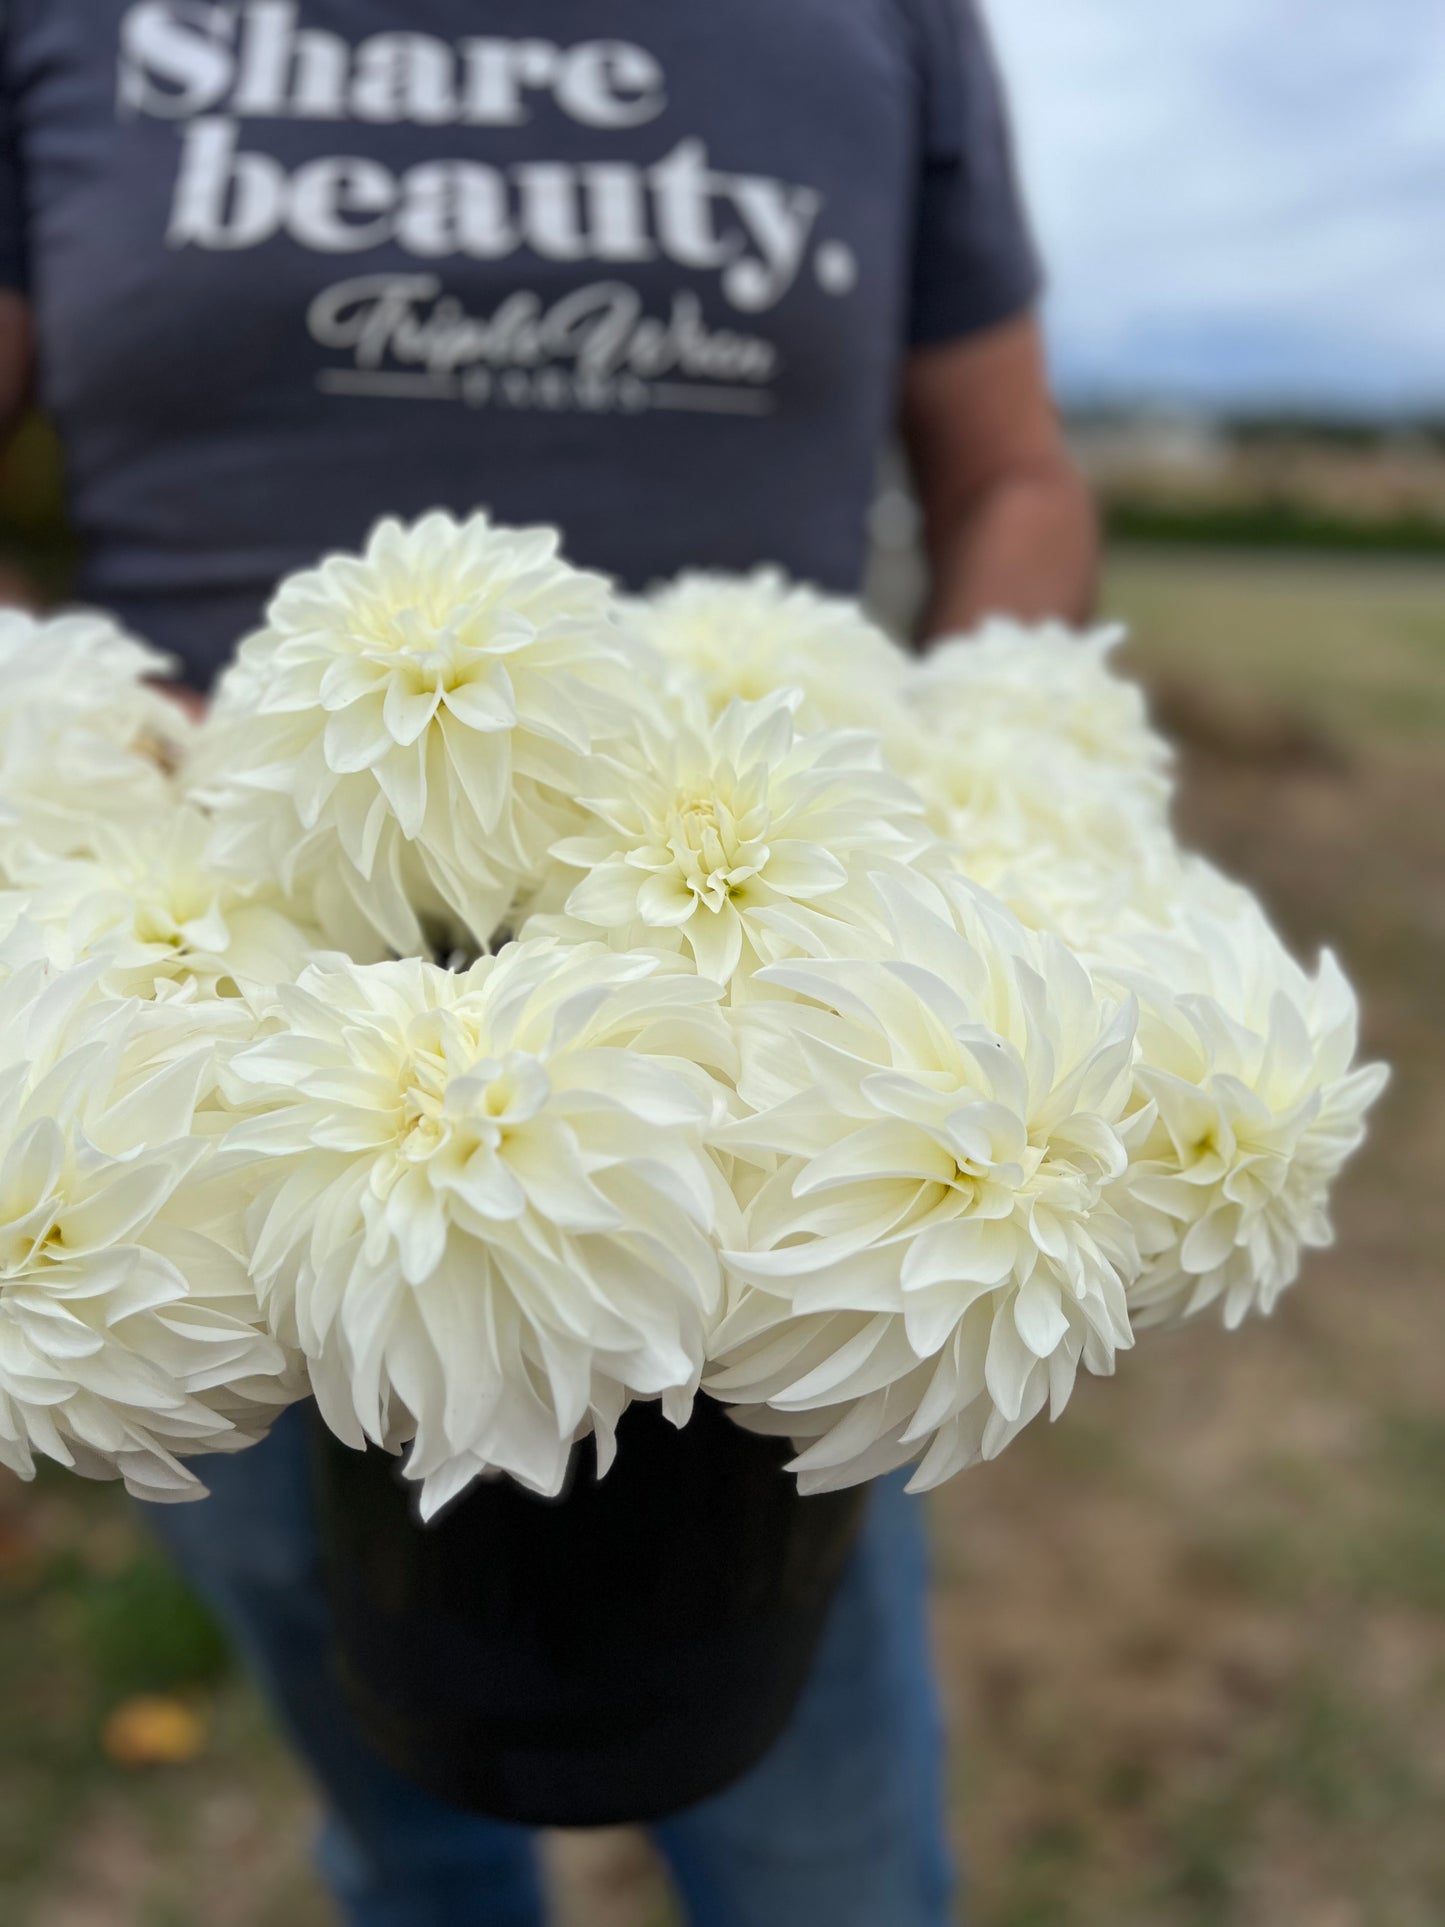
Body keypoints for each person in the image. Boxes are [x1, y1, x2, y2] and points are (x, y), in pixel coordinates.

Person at [0, 5, 1096, 1922]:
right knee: (406, 1817)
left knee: (821, 1849)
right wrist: (59, 719)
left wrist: (985, 754)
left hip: (766, 1111)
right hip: (224, 1104)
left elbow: (1009, 472)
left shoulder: (885, 24)